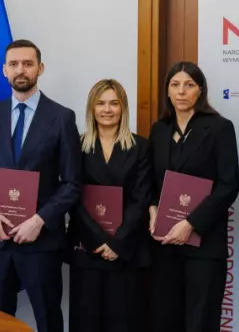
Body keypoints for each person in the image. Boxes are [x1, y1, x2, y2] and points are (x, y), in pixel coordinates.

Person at [0, 39, 81, 332]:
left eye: (28, 64)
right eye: (14, 64)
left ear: (40, 68)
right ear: (4, 70)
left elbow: (72, 183)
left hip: (40, 240)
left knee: (48, 318)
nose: (21, 70)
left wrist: (39, 220)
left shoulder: (62, 117)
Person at [148, 61, 239, 332]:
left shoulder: (220, 128)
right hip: (164, 245)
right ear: (167, 90)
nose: (181, 91)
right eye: (175, 85)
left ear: (200, 90)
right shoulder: (159, 129)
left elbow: (228, 185)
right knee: (165, 320)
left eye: (189, 85)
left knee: (201, 322)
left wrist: (191, 224)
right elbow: (150, 181)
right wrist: (152, 210)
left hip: (204, 245)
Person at [66, 79, 153, 332]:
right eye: (100, 103)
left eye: (114, 103)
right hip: (86, 248)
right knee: (87, 321)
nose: (107, 109)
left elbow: (141, 198)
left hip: (127, 250)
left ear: (123, 107)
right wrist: (98, 240)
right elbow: (72, 195)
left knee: (124, 321)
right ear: (91, 108)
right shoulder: (76, 146)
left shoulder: (141, 146)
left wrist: (117, 242)